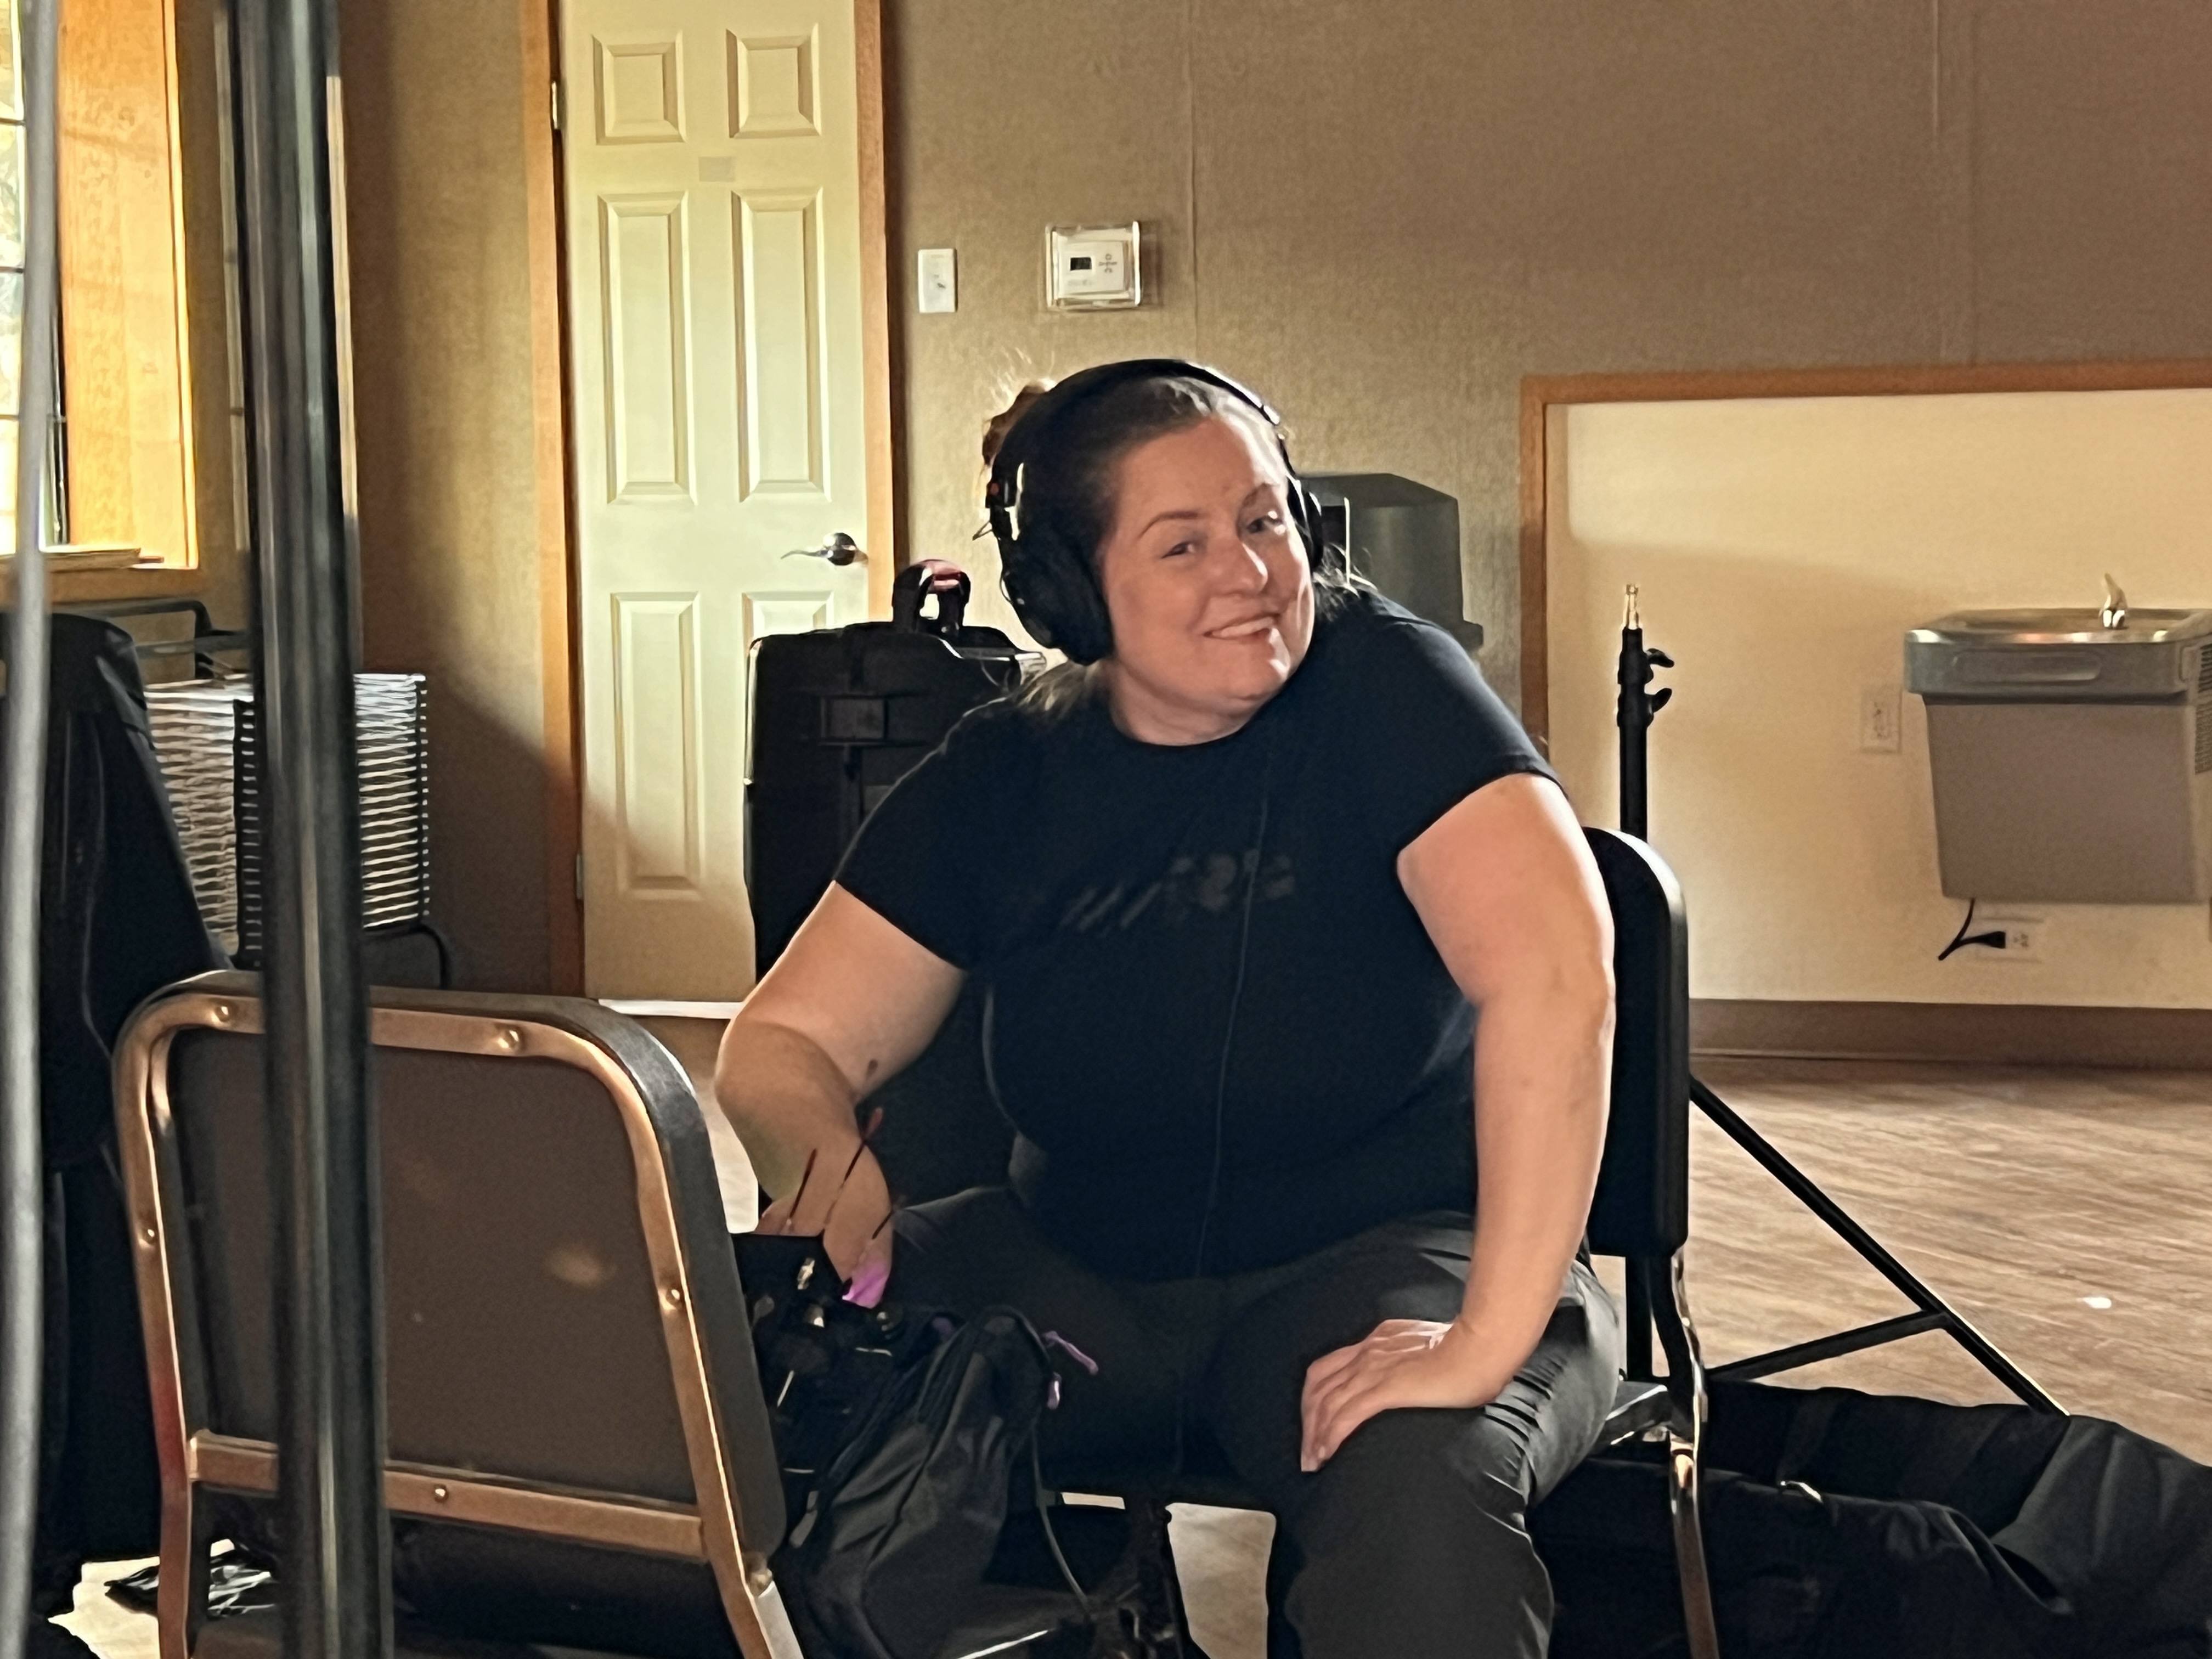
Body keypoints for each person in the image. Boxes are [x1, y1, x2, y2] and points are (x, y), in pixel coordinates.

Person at [716, 359, 1622, 1658]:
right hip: (1079, 1288)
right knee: (743, 1395)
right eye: (1183, 543)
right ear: (1071, 594)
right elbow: (784, 1041)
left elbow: (1554, 971)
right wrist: (832, 1175)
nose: (1250, 572)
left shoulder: (1389, 689)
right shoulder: (1005, 774)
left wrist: (1484, 1339)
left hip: (1384, 1265)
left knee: (1418, 1508)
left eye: (1265, 522)